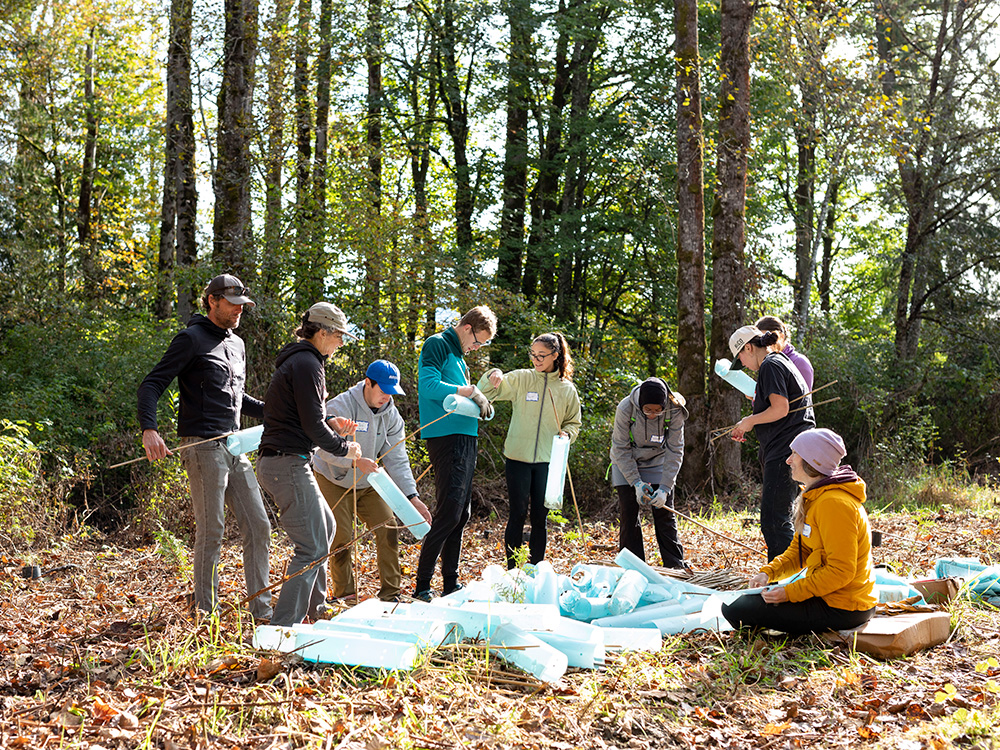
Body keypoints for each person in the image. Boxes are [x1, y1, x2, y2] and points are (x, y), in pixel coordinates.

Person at [137, 273, 272, 621]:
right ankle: (206, 615)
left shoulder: (237, 344)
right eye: (233, 304)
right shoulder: (190, 338)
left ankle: (262, 610)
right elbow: (151, 385)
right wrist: (149, 430)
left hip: (235, 445)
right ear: (212, 301)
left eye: (243, 305)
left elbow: (238, 398)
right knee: (212, 530)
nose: (239, 311)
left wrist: (278, 410)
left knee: (259, 525)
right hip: (202, 446)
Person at [256, 302, 362, 626]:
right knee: (311, 546)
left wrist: (331, 421)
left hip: (290, 461)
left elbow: (307, 418)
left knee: (326, 528)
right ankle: (282, 628)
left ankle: (316, 612)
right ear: (323, 332)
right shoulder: (306, 363)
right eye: (339, 336)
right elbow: (311, 427)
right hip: (286, 463)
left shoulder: (303, 361)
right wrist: (344, 449)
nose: (341, 343)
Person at [721, 428, 876, 635]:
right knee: (736, 604)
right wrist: (768, 573)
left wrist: (789, 593)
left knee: (735, 609)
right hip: (831, 598)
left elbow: (841, 571)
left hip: (845, 607)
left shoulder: (834, 504)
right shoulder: (817, 496)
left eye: (794, 454)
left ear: (813, 461)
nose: (788, 460)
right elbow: (799, 552)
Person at [313, 360, 432, 602]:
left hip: (368, 483)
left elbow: (398, 459)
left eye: (392, 393)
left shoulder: (391, 415)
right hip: (334, 479)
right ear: (368, 383)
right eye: (383, 391)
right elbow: (319, 448)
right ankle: (346, 597)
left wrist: (413, 499)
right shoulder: (341, 405)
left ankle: (391, 594)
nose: (387, 397)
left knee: (387, 528)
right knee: (341, 537)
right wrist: (354, 461)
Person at [412, 306, 497, 601]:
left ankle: (450, 582)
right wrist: (469, 390)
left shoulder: (460, 357)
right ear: (466, 328)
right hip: (445, 436)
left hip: (465, 435)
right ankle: (422, 585)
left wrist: (479, 392)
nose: (476, 348)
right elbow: (428, 386)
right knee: (448, 512)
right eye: (477, 341)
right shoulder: (437, 344)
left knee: (462, 513)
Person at [478, 332, 582, 569]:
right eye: (533, 355)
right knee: (516, 515)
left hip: (547, 462)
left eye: (542, 355)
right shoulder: (522, 379)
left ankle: (536, 569)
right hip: (517, 458)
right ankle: (513, 570)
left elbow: (574, 423)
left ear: (555, 355)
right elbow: (488, 392)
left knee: (540, 519)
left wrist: (567, 435)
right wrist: (491, 375)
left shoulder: (567, 390)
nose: (536, 360)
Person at [729, 325, 816, 560]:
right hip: (791, 447)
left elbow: (781, 408)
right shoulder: (779, 362)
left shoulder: (770, 365)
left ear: (748, 347)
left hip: (785, 450)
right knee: (782, 518)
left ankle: (785, 583)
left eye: (741, 359)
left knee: (774, 521)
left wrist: (749, 421)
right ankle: (794, 577)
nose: (744, 365)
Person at [609, 377, 690, 569]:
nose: (653, 415)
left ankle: (675, 566)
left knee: (664, 514)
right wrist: (636, 483)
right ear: (640, 405)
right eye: (648, 410)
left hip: (658, 460)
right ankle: (633, 567)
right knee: (629, 513)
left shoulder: (675, 409)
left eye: (657, 410)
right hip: (627, 460)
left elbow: (675, 450)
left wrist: (664, 488)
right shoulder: (625, 408)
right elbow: (620, 448)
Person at [755, 315, 814, 390]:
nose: (764, 345)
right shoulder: (767, 363)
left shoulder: (800, 362)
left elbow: (803, 399)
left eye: (768, 339)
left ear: (781, 337)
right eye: (760, 341)